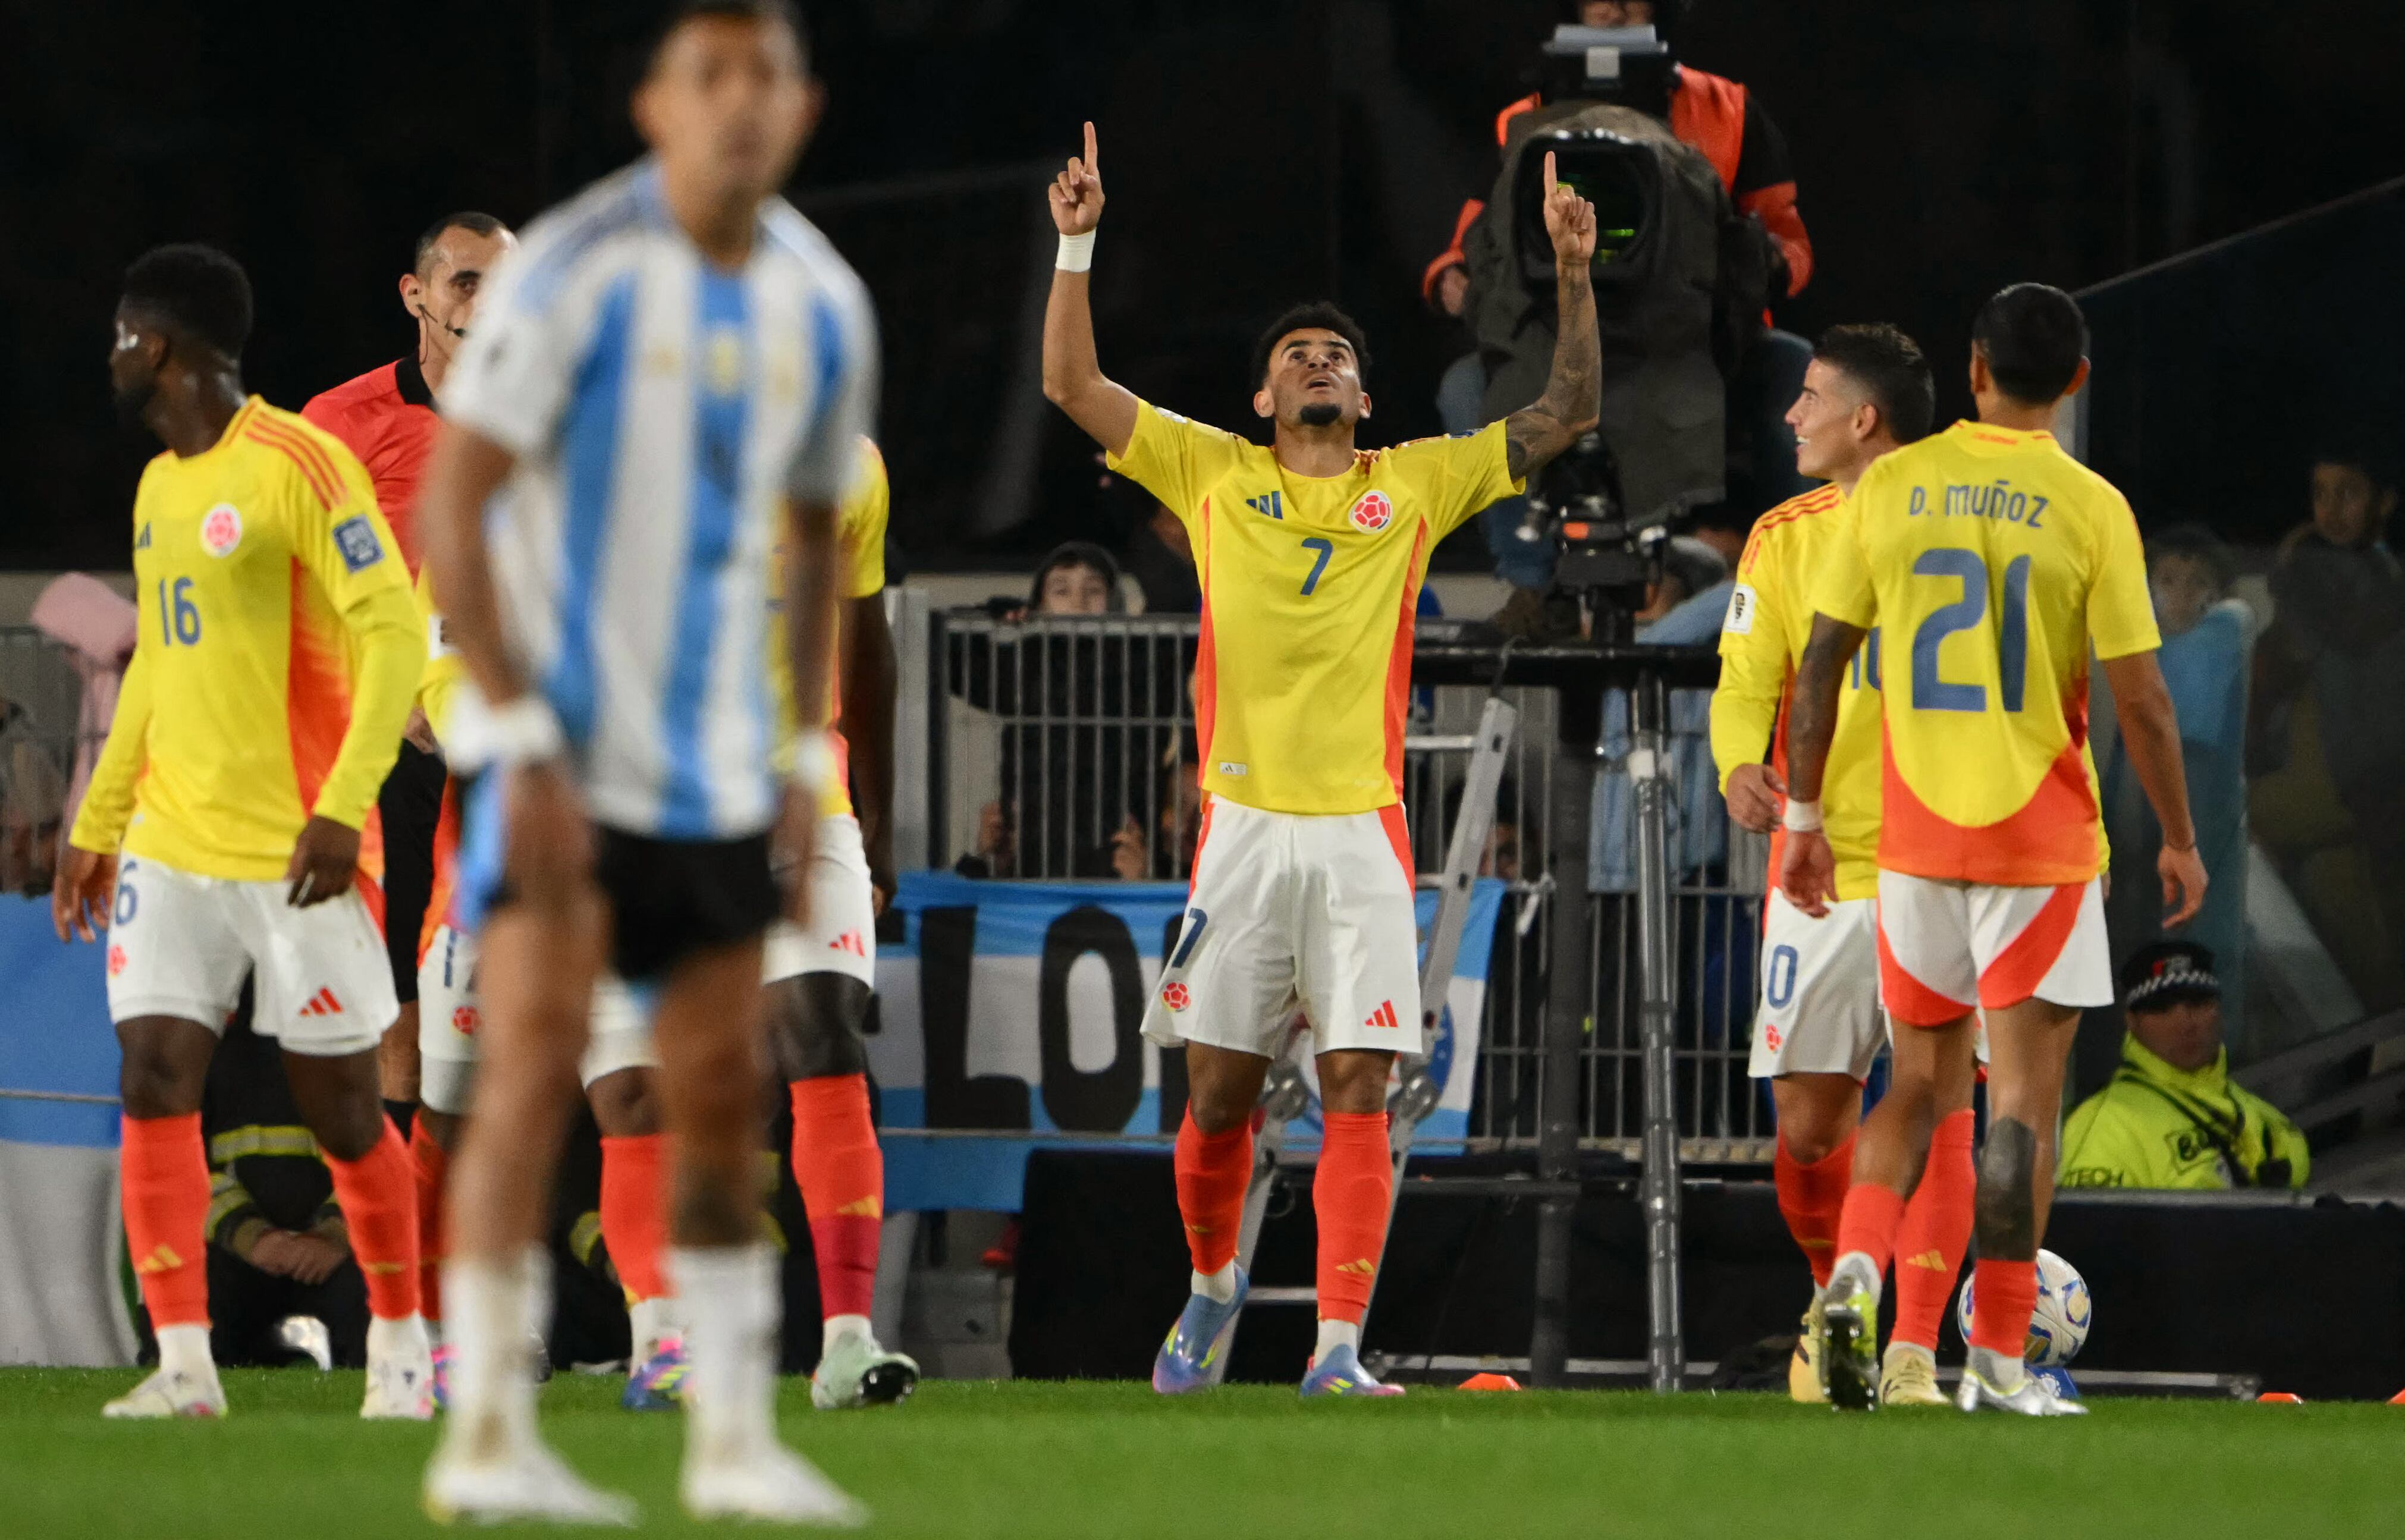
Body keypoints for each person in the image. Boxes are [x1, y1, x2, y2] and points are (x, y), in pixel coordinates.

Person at [1041, 120, 1600, 1396]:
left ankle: (1338, 1347)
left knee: (1359, 1081)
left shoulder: (1413, 483)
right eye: (1297, 354)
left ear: (1363, 396)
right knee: (1220, 1098)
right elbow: (1073, 386)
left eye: (1338, 354)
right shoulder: (1208, 470)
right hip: (1240, 828)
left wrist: (1573, 274)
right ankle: (1211, 1286)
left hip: (1361, 827)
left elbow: (1568, 411)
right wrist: (1076, 240)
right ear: (1262, 397)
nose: (1319, 363)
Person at [415, 0, 874, 1523]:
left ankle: (733, 1444)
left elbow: (818, 534)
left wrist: (804, 745)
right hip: (565, 752)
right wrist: (517, 729)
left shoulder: (820, 301)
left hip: (714, 766)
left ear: (803, 108)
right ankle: (485, 1434)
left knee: (722, 1091)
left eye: (766, 76)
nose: (739, 102)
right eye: (708, 75)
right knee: (537, 1074)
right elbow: (456, 507)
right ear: (653, 103)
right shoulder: (571, 274)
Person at [1778, 283, 2205, 1415]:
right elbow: (2143, 700)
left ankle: (1855, 1273)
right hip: (2038, 843)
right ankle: (2001, 1367)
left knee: (1910, 1087)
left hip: (1912, 840)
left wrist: (1806, 821)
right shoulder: (2088, 505)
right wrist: (2176, 834)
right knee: (2018, 1102)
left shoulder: (1892, 484)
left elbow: (1818, 666)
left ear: (1971, 369)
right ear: (2072, 381)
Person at [52, 243, 432, 1419]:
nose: (111, 357)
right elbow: (160, 667)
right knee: (154, 1074)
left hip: (296, 851)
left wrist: (341, 805)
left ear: (160, 344)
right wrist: (98, 820)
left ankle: (407, 1349)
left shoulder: (301, 464)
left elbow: (391, 641)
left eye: (121, 335)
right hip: (173, 846)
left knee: (346, 1110)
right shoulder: (163, 485)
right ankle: (184, 1363)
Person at [1710, 323, 1976, 1408]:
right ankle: (1839, 1315)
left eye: (1808, 397)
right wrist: (1736, 762)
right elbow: (1745, 674)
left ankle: (1912, 1351)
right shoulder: (1783, 534)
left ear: (1862, 419)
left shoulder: (1962, 521)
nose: (1790, 415)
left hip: (1940, 858)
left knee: (1942, 1102)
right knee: (1809, 1124)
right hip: (1815, 871)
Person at [303, 211, 515, 1123]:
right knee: (398, 1007)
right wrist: (389, 703)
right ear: (415, 294)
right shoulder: (341, 422)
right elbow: (300, 593)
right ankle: (397, 1252)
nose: (485, 301)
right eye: (464, 280)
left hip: (504, 747)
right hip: (388, 747)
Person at [763, 436, 921, 1408]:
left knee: (825, 1035)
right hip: (678, 792)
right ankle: (664, 1335)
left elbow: (867, 648)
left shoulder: (850, 461)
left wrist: (878, 817)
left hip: (809, 787)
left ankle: (847, 1342)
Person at [2248, 447, 2405, 1009]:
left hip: (2369, 792)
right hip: (2328, 797)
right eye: (2321, 493)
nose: (2331, 509)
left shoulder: (2377, 589)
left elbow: (2353, 639)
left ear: (2383, 503)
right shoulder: (2307, 590)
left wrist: (2291, 577)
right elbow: (2271, 689)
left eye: (2348, 493)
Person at [200, 997, 372, 1371]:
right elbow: (185, 1170)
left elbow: (378, 1159)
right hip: (239, 1256)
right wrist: (250, 1237)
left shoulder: (361, 1049)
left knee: (376, 1288)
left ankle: (382, 1400)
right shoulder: (206, 1054)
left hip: (339, 1257)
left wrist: (335, 1234)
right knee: (201, 1295)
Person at [2059, 941, 2308, 1190]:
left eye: (2199, 1004)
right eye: (2162, 1008)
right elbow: (2090, 1227)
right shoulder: (2104, 1127)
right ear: (2132, 1022)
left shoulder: (2260, 1113)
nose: (2186, 1024)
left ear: (2220, 1011)